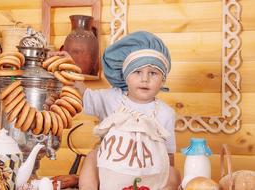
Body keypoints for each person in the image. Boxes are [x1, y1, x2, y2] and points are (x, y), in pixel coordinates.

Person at [75, 31, 181, 190]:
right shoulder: (112, 98)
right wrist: (71, 74)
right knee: (92, 156)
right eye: (137, 72)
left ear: (163, 79)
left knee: (174, 173)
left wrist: (166, 177)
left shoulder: (165, 112)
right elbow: (84, 95)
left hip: (149, 175)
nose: (145, 79)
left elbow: (169, 155)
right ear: (125, 76)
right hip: (110, 172)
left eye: (153, 73)